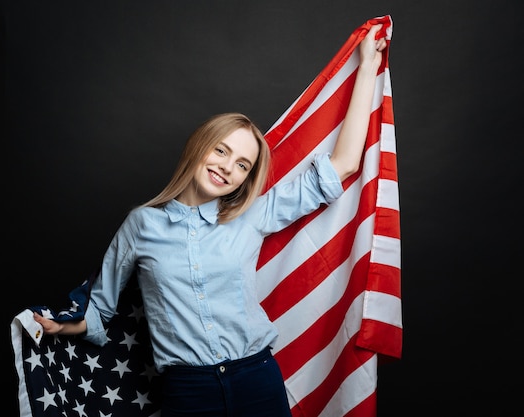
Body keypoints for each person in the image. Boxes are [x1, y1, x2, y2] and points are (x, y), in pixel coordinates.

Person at [33, 24, 387, 417]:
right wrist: (62, 328)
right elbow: (101, 306)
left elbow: (342, 166)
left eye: (241, 164)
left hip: (257, 380)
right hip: (187, 392)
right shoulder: (141, 225)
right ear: (200, 146)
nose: (227, 167)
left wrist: (367, 64)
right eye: (221, 150)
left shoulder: (252, 215)